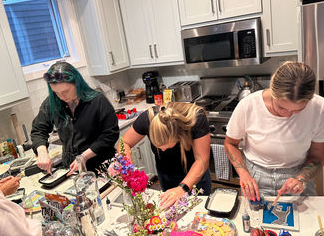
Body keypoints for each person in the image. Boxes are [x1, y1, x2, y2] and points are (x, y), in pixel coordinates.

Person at [224, 61, 324, 201]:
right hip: (256, 176)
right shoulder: (249, 105)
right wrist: (244, 174)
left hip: (297, 173)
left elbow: (317, 156)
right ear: (272, 90)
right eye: (281, 107)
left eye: (298, 110)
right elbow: (230, 144)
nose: (288, 115)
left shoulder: (319, 108)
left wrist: (301, 179)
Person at [31, 61, 119, 176]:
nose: (61, 97)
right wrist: (42, 152)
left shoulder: (98, 101)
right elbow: (38, 130)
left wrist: (83, 157)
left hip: (102, 167)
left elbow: (110, 135)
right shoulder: (51, 103)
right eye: (56, 93)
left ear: (77, 83)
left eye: (65, 91)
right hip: (72, 169)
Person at [120, 102, 211, 209]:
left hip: (196, 177)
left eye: (165, 146)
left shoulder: (196, 118)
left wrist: (182, 188)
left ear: (178, 135)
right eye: (157, 145)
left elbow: (202, 160)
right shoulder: (147, 119)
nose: (162, 150)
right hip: (167, 176)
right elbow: (124, 142)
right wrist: (127, 167)